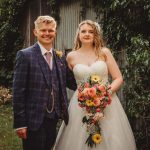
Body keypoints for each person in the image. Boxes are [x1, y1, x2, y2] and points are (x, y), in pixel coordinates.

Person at [53, 20, 137, 150]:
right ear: (78, 34)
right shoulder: (70, 57)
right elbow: (68, 82)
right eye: (84, 31)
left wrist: (104, 94)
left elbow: (118, 78)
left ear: (96, 35)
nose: (87, 34)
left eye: (91, 32)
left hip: (107, 101)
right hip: (80, 105)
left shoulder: (104, 52)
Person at [12, 15, 77, 150]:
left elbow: (73, 83)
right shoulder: (25, 55)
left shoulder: (60, 58)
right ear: (35, 32)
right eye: (43, 30)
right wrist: (20, 123)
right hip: (33, 119)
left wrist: (86, 67)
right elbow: (18, 91)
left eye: (50, 30)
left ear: (55, 32)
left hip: (54, 117)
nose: (47, 33)